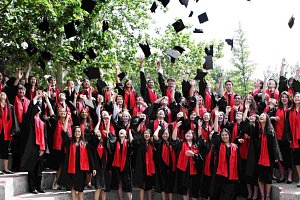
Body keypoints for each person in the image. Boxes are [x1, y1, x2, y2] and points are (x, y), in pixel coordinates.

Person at [59, 125, 96, 200]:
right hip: (72, 168)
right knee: (73, 187)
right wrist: (67, 118)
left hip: (81, 169)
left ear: (81, 133)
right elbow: (64, 131)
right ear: (73, 133)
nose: (77, 133)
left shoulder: (85, 143)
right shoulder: (69, 142)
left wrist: (93, 168)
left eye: (79, 131)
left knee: (80, 188)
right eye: (75, 131)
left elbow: (90, 156)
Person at [21, 90, 47, 194]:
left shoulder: (42, 123)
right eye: (36, 109)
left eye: (39, 110)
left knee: (39, 169)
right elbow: (29, 112)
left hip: (40, 148)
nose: (38, 111)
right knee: (32, 167)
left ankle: (39, 186)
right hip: (32, 146)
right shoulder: (31, 121)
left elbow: (45, 137)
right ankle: (32, 187)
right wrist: (36, 97)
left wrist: (43, 148)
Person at [172, 120, 204, 200]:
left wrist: (199, 127)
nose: (188, 134)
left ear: (193, 135)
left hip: (195, 170)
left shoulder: (196, 144)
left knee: (194, 189)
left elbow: (200, 138)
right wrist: (176, 127)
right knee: (184, 189)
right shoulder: (181, 143)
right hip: (184, 169)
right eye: (186, 133)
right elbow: (174, 139)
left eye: (190, 133)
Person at [110, 129, 134, 200]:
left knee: (127, 183)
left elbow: (132, 143)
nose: (121, 132)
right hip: (117, 166)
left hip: (126, 166)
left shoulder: (128, 142)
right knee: (119, 183)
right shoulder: (115, 142)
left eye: (123, 132)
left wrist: (129, 132)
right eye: (120, 131)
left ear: (125, 134)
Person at [153, 126, 176, 200]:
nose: (165, 135)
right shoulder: (159, 142)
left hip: (171, 167)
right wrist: (158, 128)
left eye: (166, 133)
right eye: (163, 134)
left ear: (169, 134)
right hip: (161, 167)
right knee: (162, 184)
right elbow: (155, 135)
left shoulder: (171, 143)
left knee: (170, 185)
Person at [132, 129, 155, 200]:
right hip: (141, 167)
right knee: (141, 186)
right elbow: (133, 141)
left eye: (148, 133)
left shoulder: (152, 144)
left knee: (149, 186)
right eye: (145, 133)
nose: (147, 135)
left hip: (150, 168)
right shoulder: (139, 143)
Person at [0, 92, 15, 174]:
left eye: (4, 94)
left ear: (6, 97)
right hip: (0, 130)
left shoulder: (10, 107)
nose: (2, 95)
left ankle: (6, 168)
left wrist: (12, 130)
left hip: (7, 131)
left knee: (5, 150)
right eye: (1, 94)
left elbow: (14, 120)